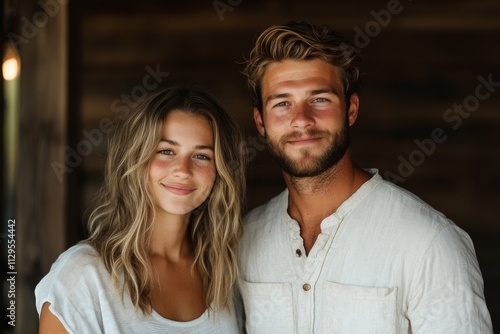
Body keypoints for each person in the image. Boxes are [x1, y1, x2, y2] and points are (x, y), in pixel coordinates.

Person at [238, 21, 492, 333]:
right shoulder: (243, 239)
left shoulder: (429, 243)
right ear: (261, 122)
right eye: (282, 103)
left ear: (352, 110)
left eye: (320, 99)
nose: (301, 120)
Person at [35, 86, 246, 333]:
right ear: (136, 159)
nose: (183, 170)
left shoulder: (224, 271)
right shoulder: (81, 276)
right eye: (166, 151)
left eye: (202, 156)